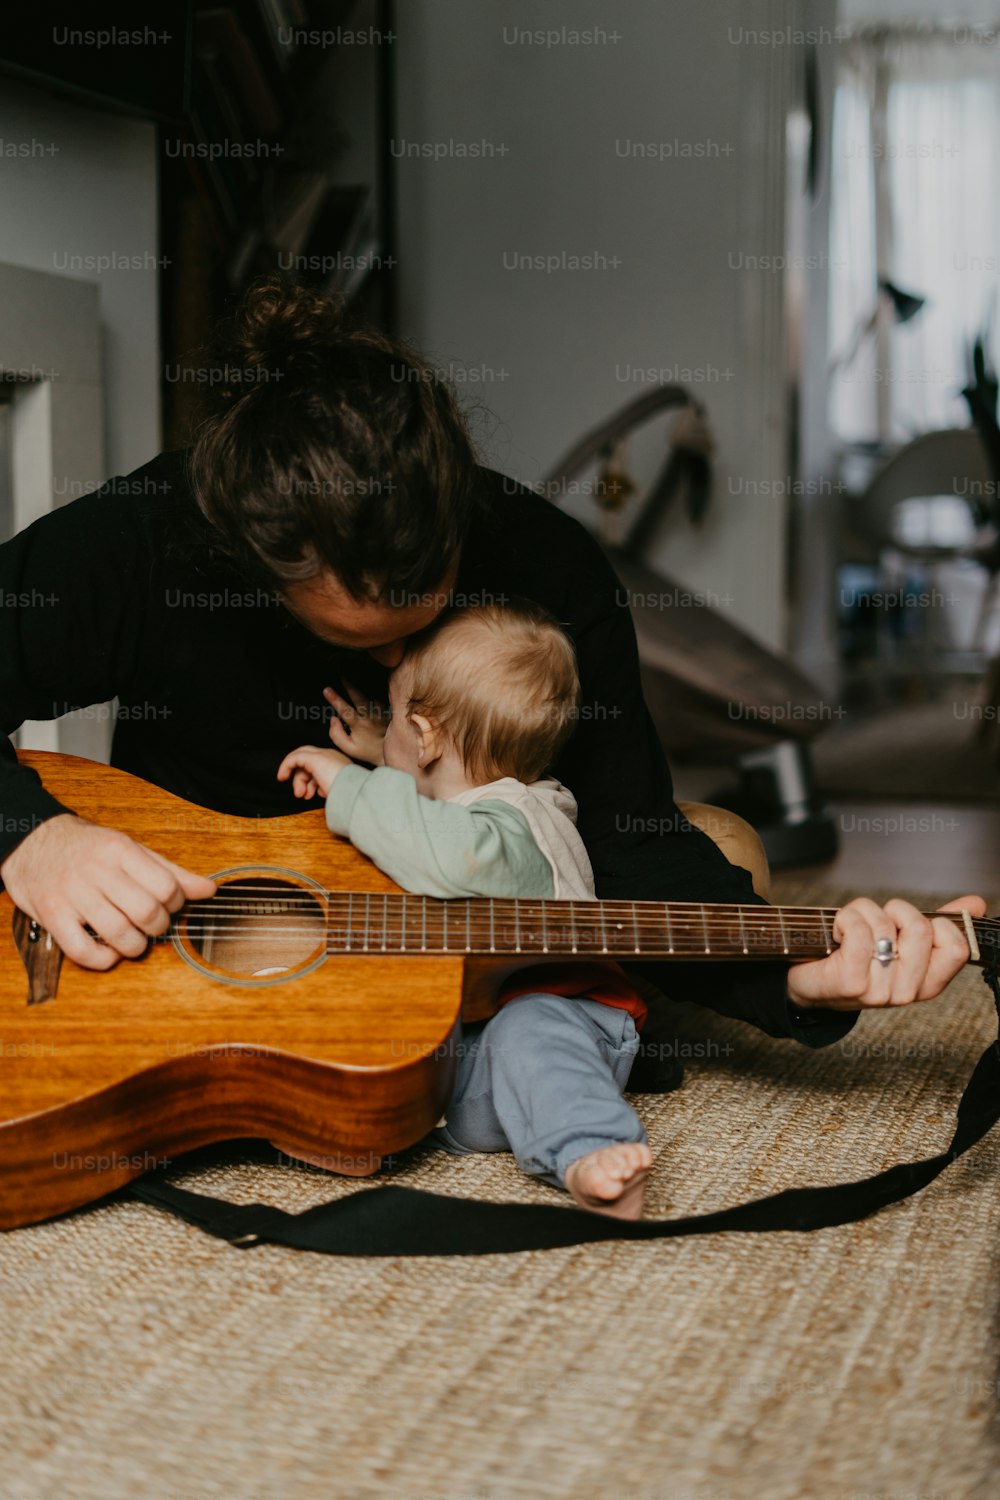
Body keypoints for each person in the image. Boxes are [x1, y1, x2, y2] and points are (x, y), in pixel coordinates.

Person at [0, 275, 982, 1072]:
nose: (397, 666)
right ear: (257, 562)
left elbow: (624, 838)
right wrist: (35, 837)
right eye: (359, 639)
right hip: (213, 926)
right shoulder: (150, 537)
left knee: (723, 843)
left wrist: (795, 977)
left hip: (465, 921)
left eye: (424, 616)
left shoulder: (544, 562)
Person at [277, 599, 654, 1217]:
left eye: (395, 716)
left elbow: (455, 856)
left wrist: (351, 782)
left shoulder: (518, 829)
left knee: (529, 1033)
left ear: (425, 739)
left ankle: (591, 1149)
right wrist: (387, 752)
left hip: (563, 1027)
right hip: (468, 1056)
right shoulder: (486, 800)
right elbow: (439, 807)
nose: (387, 725)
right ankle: (365, 1124)